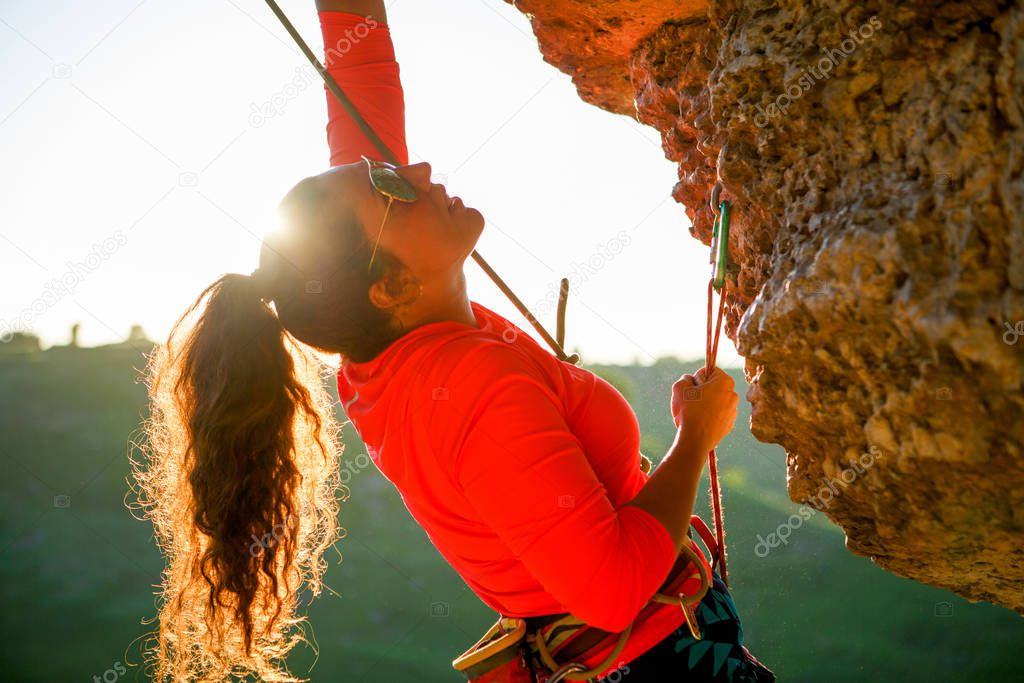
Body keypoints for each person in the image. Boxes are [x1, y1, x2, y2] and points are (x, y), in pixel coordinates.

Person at [132, 1, 774, 681]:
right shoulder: (472, 389)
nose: (413, 171)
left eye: (386, 171)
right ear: (388, 285)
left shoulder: (374, 344)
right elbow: (613, 591)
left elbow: (362, 79)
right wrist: (694, 436)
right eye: (390, 188)